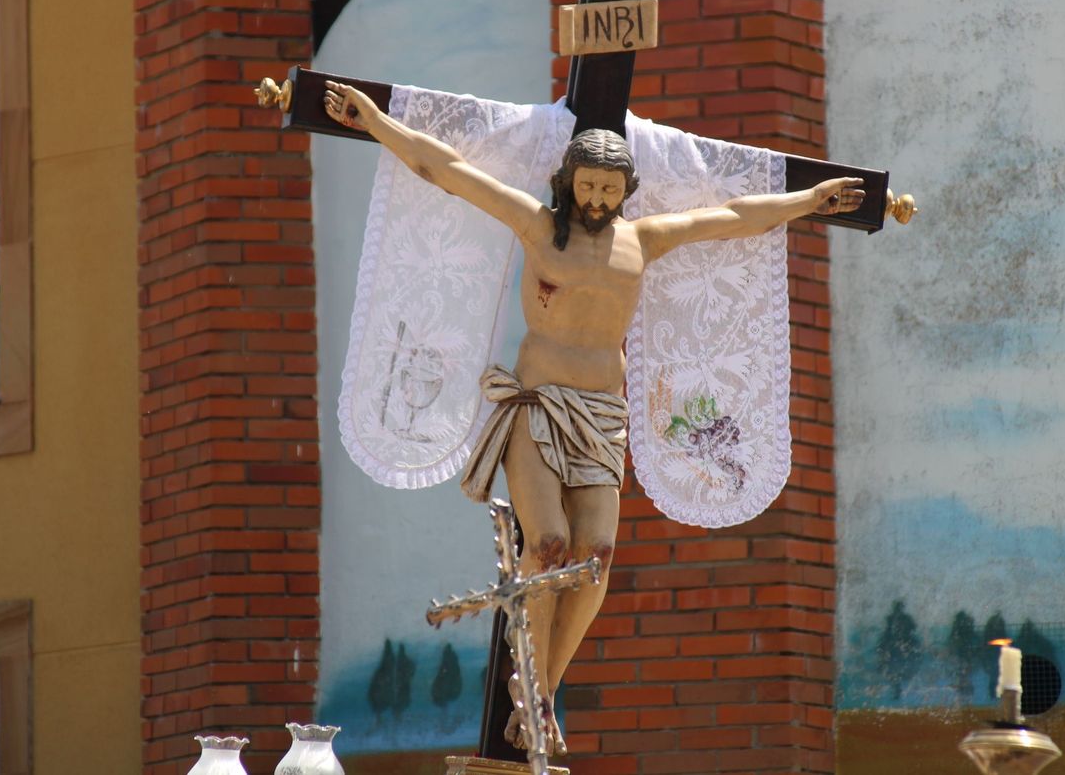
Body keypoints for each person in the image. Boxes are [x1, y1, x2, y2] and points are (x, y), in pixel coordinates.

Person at [323, 80, 864, 752]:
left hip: (602, 414)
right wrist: (376, 122)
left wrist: (809, 202)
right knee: (547, 547)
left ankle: (543, 692)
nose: (599, 200)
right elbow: (450, 171)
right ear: (566, 180)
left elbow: (735, 215)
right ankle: (529, 689)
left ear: (626, 189)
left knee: (595, 558)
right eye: (589, 186)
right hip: (539, 407)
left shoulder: (645, 240)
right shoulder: (534, 225)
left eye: (611, 189)